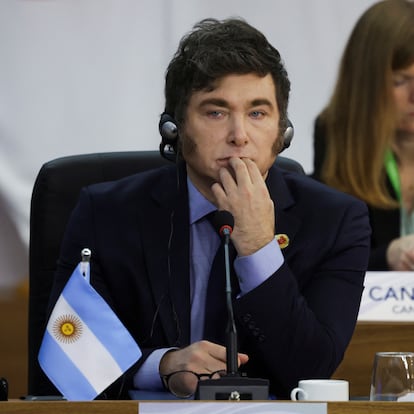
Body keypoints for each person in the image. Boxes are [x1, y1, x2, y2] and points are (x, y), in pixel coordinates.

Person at [46, 18, 370, 399]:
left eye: (257, 113)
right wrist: (162, 366)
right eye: (216, 112)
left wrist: (258, 246)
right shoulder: (105, 213)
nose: (239, 134)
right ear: (175, 129)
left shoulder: (335, 221)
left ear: (283, 133)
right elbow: (68, 348)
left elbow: (308, 369)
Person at [312, 0, 414, 271]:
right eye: (400, 81)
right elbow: (326, 261)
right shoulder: (336, 137)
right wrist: (388, 256)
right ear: (365, 81)